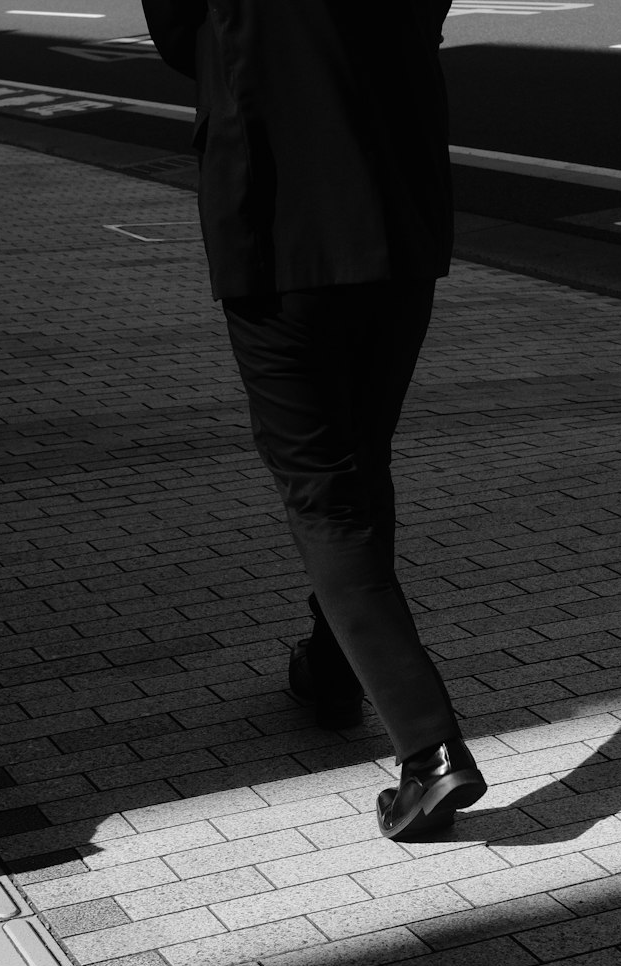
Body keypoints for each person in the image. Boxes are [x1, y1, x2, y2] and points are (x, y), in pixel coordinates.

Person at [141, 0, 487, 840]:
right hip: (398, 209)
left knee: (324, 491)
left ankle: (432, 751)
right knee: (362, 458)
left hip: (279, 216)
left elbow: (180, 35)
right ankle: (332, 671)